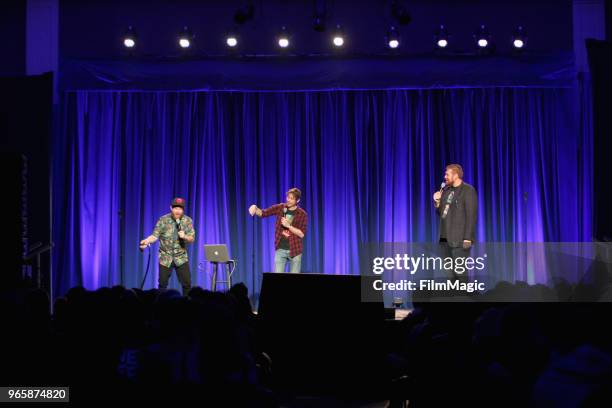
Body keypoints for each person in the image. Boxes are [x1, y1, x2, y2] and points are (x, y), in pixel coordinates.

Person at [140, 197, 195, 294]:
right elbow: (155, 236)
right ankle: (162, 306)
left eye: (180, 208)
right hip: (165, 257)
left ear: (183, 209)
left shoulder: (187, 221)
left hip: (181, 257)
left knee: (187, 284)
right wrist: (147, 241)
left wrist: (185, 236)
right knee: (162, 285)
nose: (178, 210)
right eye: (175, 208)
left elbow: (192, 238)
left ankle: (187, 306)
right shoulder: (163, 220)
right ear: (171, 208)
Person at [433, 164, 478, 283]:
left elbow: (471, 215)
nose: (445, 177)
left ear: (456, 175)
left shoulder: (468, 190)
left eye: (447, 174)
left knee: (460, 273)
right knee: (449, 275)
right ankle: (452, 299)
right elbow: (442, 213)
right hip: (444, 239)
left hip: (459, 240)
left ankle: (462, 298)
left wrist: (468, 238)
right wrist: (437, 202)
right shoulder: (446, 190)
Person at [249, 188, 308, 273]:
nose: (289, 200)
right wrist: (255, 208)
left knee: (295, 281)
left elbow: (301, 234)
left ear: (297, 200)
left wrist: (289, 226)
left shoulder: (302, 214)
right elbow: (263, 213)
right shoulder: (280, 207)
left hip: (295, 250)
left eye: (292, 198)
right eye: (288, 197)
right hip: (280, 249)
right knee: (277, 279)